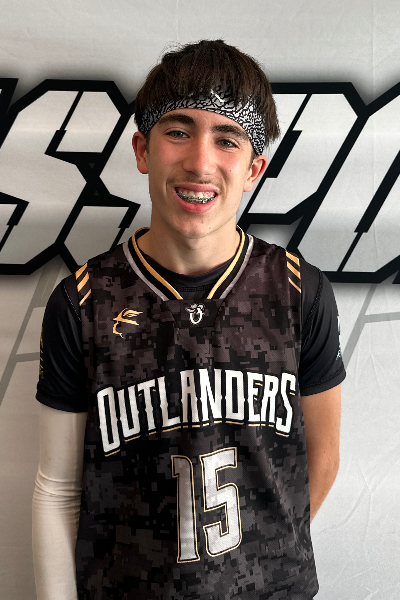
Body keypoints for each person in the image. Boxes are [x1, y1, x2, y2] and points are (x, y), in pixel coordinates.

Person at [32, 39, 345, 600]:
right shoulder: (83, 301)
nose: (200, 162)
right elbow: (57, 490)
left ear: (253, 169)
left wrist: (262, 559)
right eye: (178, 131)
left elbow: (321, 459)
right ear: (142, 150)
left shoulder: (301, 291)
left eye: (227, 139)